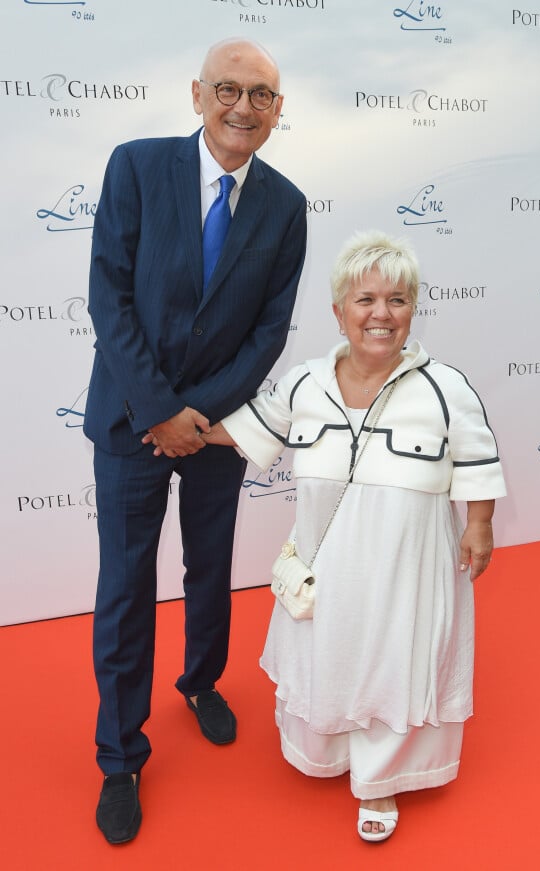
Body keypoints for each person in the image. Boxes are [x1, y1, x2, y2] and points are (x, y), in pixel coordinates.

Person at [190, 231, 506, 842]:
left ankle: (381, 783)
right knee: (331, 657)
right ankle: (330, 754)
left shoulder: (445, 385)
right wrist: (182, 430)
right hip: (326, 566)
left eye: (396, 299)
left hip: (409, 566)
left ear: (413, 308)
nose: (381, 315)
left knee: (399, 660)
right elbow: (251, 429)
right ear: (339, 312)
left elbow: (476, 457)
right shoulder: (305, 382)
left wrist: (480, 524)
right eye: (365, 301)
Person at [84, 38, 307, 844]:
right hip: (130, 420)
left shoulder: (287, 204)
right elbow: (109, 294)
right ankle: (121, 754)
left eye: (261, 95)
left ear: (279, 113)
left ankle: (202, 680)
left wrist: (200, 417)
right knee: (125, 583)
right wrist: (159, 410)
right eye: (227, 89)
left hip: (219, 428)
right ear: (196, 94)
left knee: (210, 565)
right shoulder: (136, 167)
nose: (242, 106)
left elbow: (268, 331)